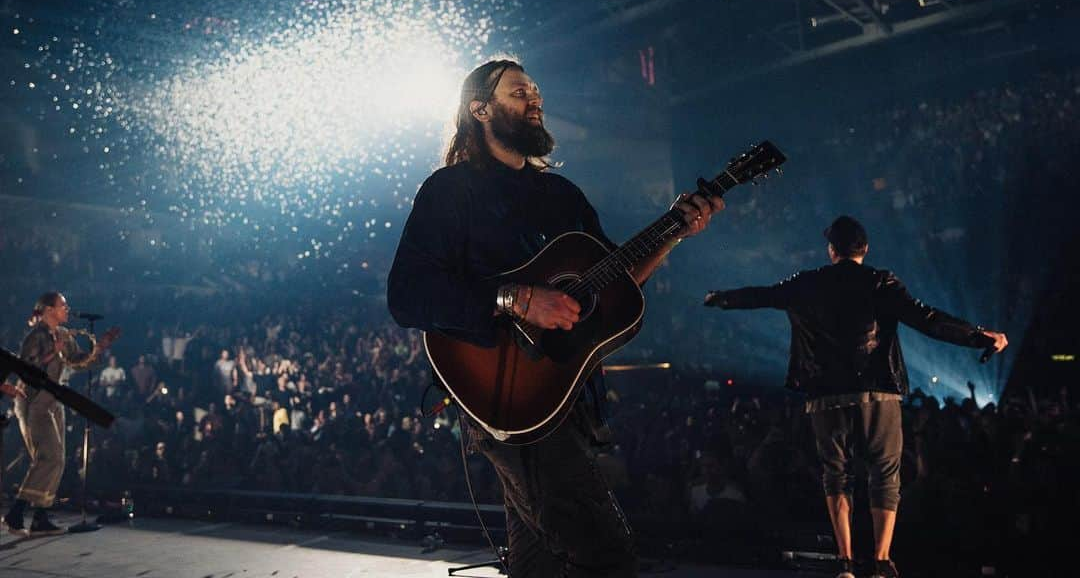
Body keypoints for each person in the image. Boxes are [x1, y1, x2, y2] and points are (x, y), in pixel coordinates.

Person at [387, 57, 723, 577]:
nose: (535, 100)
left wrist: (674, 231)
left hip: (566, 393)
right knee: (604, 550)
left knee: (538, 559)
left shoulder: (560, 195)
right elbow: (408, 294)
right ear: (480, 110)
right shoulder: (451, 191)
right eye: (519, 94)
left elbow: (615, 281)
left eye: (536, 92)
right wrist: (517, 299)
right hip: (500, 389)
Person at [703, 216, 1008, 578]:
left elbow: (763, 295)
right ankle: (880, 560)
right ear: (865, 249)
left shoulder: (807, 282)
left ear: (832, 250)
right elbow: (927, 318)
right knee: (884, 473)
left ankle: (845, 562)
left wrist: (723, 299)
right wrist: (976, 335)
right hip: (876, 392)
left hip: (825, 395)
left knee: (836, 474)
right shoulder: (880, 281)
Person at [3, 291, 120, 535]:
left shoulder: (64, 335)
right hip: (33, 402)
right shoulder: (35, 336)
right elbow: (25, 369)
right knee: (50, 457)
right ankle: (17, 513)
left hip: (53, 402)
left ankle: (38, 517)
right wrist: (51, 353)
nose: (67, 309)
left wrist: (99, 348)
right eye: (63, 306)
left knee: (56, 459)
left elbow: (79, 360)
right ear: (48, 310)